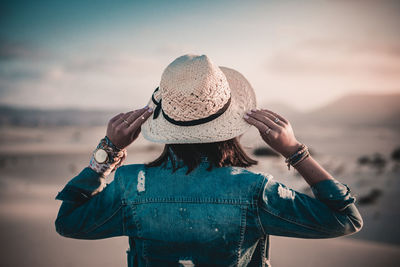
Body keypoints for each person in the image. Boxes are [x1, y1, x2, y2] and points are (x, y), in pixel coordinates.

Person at [55, 54, 363, 267]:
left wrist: (107, 152)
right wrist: (295, 151)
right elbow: (346, 218)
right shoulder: (254, 191)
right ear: (230, 120)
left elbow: (68, 222)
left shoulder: (130, 187)